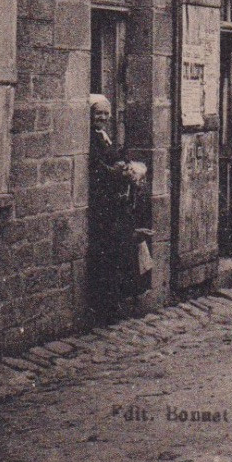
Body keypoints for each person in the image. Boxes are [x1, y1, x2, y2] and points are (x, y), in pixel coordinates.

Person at [85, 94, 151, 320]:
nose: (102, 117)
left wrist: (127, 167)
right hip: (102, 204)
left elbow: (113, 159)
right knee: (105, 253)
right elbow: (97, 167)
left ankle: (116, 302)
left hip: (114, 202)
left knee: (118, 251)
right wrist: (118, 172)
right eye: (97, 113)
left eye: (105, 113)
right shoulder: (90, 139)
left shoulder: (104, 136)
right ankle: (104, 306)